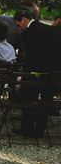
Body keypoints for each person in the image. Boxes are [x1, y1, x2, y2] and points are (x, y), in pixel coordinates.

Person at [13, 7, 60, 136]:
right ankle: (40, 129)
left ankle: (27, 127)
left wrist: (24, 73)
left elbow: (30, 55)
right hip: (51, 71)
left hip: (34, 71)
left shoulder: (28, 32)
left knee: (28, 97)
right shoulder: (48, 28)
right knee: (45, 100)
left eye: (18, 25)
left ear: (23, 20)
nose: (19, 28)